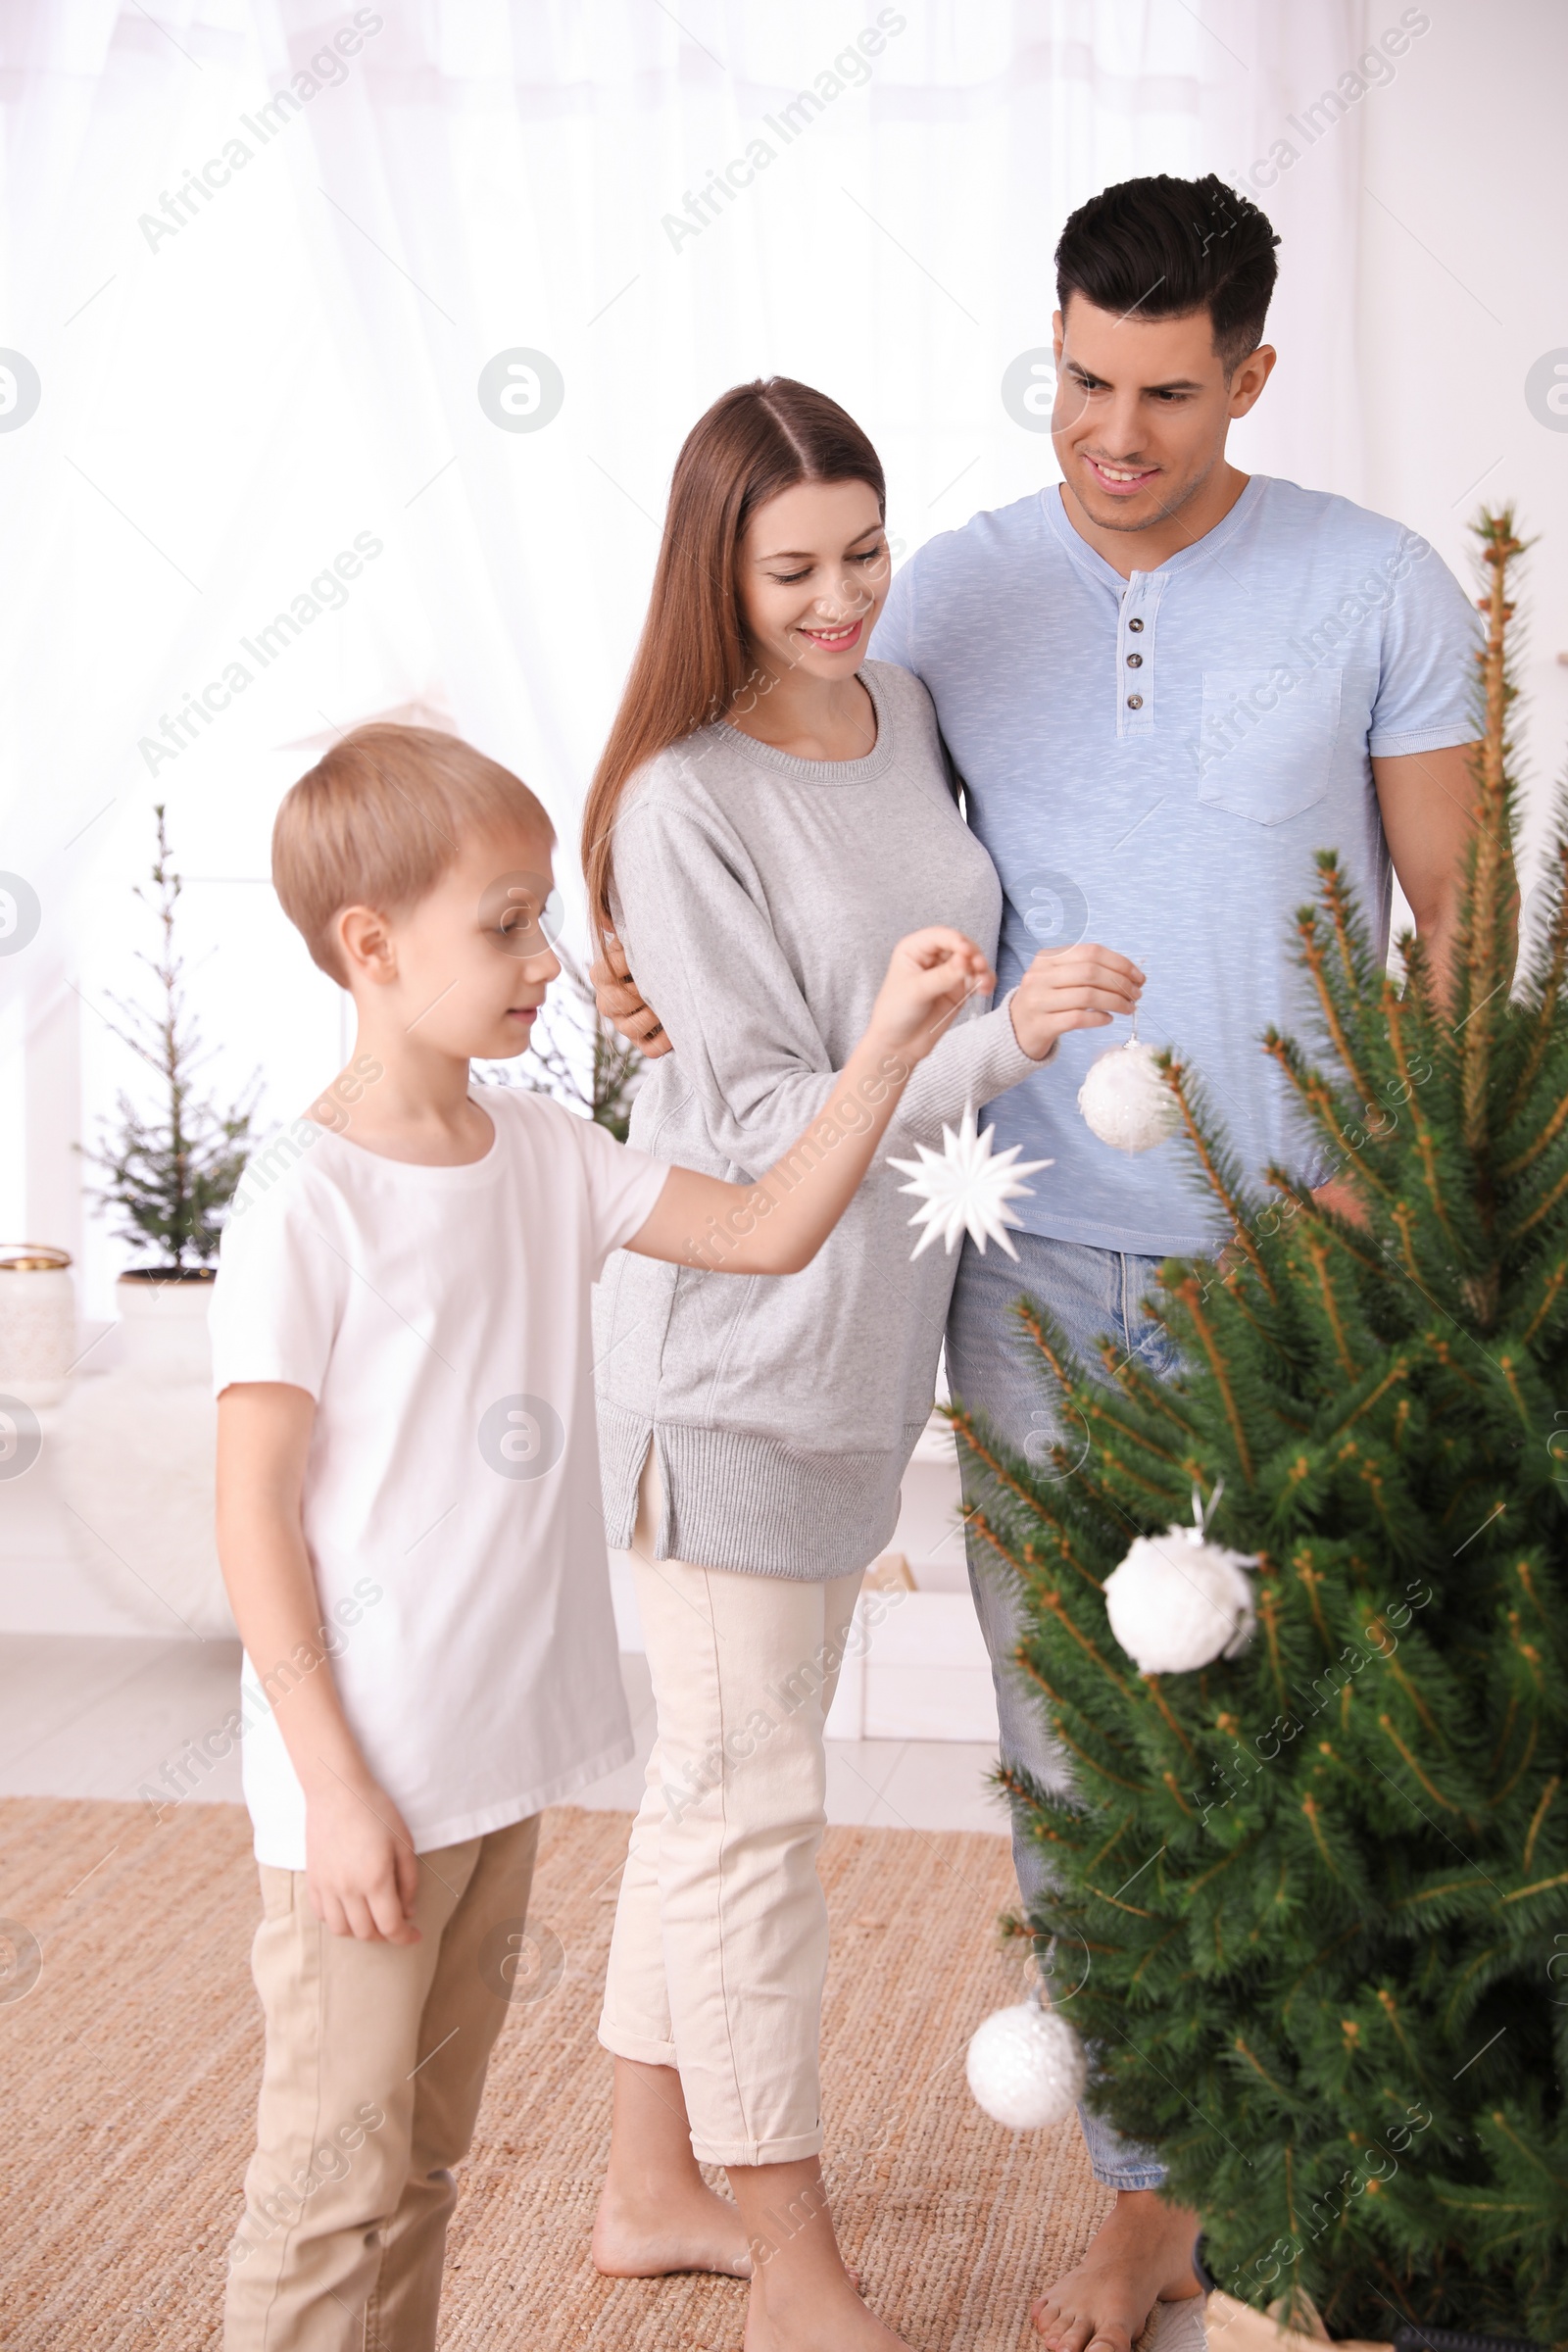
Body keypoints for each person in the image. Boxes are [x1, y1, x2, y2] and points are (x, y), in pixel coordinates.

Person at [596, 178, 1484, 2352]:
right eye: (1081, 379)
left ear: (1248, 379)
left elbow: (1454, 936)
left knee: (1294, 1731)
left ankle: (1339, 2156)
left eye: (1164, 395)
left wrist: (1375, 1213)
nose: (1112, 433)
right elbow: (785, 815)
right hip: (1013, 1270)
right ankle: (1139, 2200)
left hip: (1295, 1267)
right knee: (1075, 1746)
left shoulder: (1373, 588)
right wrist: (637, 978)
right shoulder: (949, 599)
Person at [211, 717, 1004, 2352]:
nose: (551, 962)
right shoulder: (307, 1197)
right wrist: (337, 1786)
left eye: (543, 918)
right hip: (365, 1787)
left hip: (494, 1778)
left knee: (421, 2168)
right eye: (504, 926)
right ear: (371, 947)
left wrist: (892, 1042)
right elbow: (250, 1513)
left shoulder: (551, 1154)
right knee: (323, 2191)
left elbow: (775, 1230)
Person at [580, 379, 1143, 2352]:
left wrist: (1012, 1027)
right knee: (747, 1811)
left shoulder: (899, 713)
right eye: (790, 571)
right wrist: (948, 1043)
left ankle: (649, 2189)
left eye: (861, 556)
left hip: (862, 1350)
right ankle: (786, 2263)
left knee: (705, 1785)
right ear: (713, 577)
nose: (838, 605)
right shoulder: (681, 801)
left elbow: (915, 1033)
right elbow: (748, 1136)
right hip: (733, 1363)